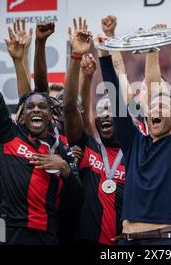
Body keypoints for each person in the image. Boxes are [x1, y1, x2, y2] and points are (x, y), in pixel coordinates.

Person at [0, 11, 82, 244]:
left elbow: (76, 200)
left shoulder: (58, 148)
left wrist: (65, 168)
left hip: (45, 232)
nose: (36, 109)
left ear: (51, 116)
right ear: (22, 115)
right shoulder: (9, 134)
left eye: (42, 107)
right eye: (31, 106)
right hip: (6, 229)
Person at [96, 31, 171, 245]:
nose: (155, 110)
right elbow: (116, 99)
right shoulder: (134, 143)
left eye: (162, 106)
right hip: (126, 241)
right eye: (151, 107)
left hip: (164, 240)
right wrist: (103, 53)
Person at [63, 17, 126, 245]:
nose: (106, 114)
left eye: (111, 109)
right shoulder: (88, 146)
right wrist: (77, 58)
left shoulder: (135, 155)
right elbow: (71, 107)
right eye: (101, 110)